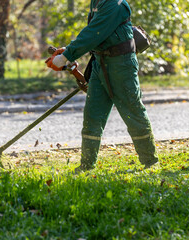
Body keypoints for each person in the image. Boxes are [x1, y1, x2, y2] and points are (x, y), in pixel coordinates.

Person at [46, 0, 158, 172]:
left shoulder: (115, 3)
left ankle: (150, 162)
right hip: (100, 63)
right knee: (92, 115)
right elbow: (95, 35)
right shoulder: (97, 2)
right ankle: (86, 165)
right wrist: (68, 50)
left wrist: (64, 57)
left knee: (132, 111)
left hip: (121, 65)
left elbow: (94, 33)